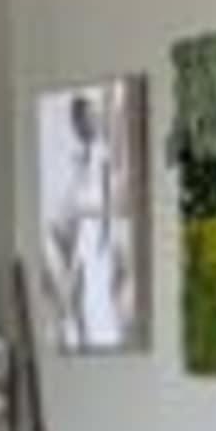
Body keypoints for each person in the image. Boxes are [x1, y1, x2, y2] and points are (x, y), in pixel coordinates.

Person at [44, 83, 138, 351]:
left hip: (100, 248)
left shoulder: (107, 162)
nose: (92, 121)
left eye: (94, 115)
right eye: (87, 117)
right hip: (89, 252)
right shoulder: (82, 164)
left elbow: (111, 204)